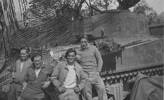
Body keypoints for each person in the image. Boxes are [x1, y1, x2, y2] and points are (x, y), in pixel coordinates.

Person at [77, 36, 108, 100]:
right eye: (81, 42)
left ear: (87, 42)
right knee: (87, 94)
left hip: (94, 73)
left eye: (85, 42)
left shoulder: (94, 49)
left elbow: (100, 60)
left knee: (101, 88)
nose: (83, 44)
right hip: (85, 75)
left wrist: (98, 71)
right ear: (80, 43)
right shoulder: (78, 52)